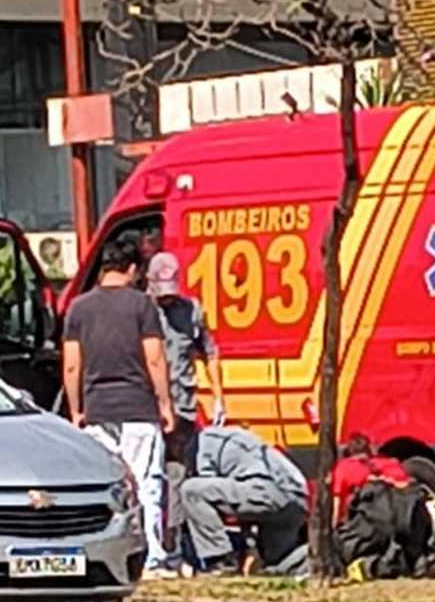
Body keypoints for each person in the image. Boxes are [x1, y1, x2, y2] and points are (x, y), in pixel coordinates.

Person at [62, 234, 175, 575]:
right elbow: (154, 358)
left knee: (106, 487)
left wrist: (76, 409)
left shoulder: (79, 308)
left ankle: (103, 553)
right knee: (147, 484)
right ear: (131, 269)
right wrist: (165, 403)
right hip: (138, 409)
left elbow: (71, 364)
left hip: (98, 412)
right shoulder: (142, 306)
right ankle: (153, 557)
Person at [146, 250, 225, 564]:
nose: (166, 301)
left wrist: (218, 395)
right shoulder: (140, 311)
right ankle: (151, 546)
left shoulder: (191, 310)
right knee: (149, 479)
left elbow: (210, 352)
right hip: (147, 409)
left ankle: (175, 544)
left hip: (183, 407)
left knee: (179, 476)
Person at [330, 436, 435, 581]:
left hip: (377, 522)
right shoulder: (391, 463)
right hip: (410, 516)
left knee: (342, 547)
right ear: (370, 450)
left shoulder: (344, 468)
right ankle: (430, 567)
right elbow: (406, 486)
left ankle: (371, 568)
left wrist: (332, 535)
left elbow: (335, 513)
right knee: (409, 555)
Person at [181, 422, 308, 576]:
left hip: (271, 491)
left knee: (192, 491)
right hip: (298, 497)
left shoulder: (200, 447)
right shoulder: (226, 436)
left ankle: (220, 561)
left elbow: (212, 504)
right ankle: (327, 554)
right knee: (279, 563)